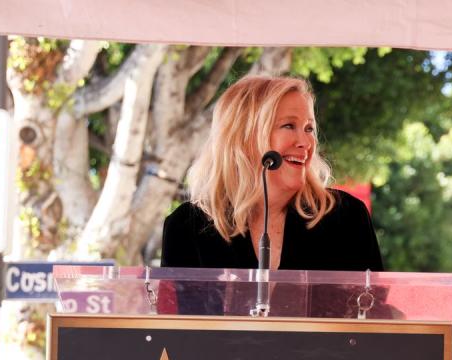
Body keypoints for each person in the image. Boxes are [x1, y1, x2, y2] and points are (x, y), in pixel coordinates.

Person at [161, 75, 383, 272]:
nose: (306, 142)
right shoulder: (185, 226)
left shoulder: (347, 217)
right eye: (288, 126)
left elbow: (373, 310)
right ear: (243, 136)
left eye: (309, 128)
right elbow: (171, 317)